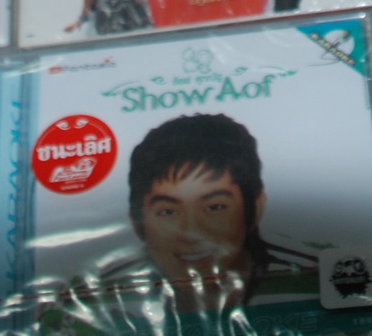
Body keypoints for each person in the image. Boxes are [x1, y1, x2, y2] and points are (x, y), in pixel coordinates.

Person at [57, 113, 324, 320]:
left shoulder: (317, 286)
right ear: (138, 222)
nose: (191, 231)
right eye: (168, 211)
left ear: (255, 208)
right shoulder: (90, 304)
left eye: (215, 207)